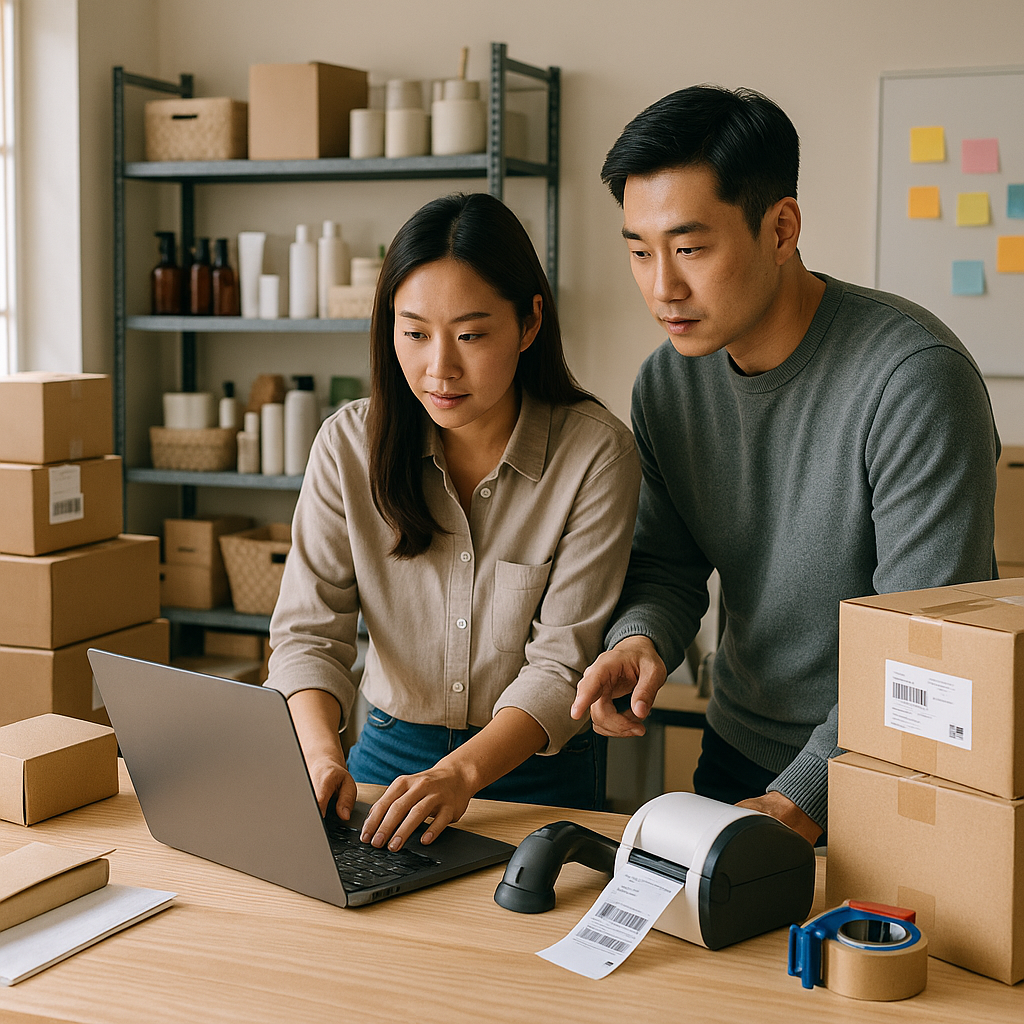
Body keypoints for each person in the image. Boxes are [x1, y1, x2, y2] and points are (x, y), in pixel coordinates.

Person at [571, 85, 999, 845]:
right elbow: (668, 565)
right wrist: (639, 639)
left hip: (896, 770)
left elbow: (921, 651)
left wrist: (802, 799)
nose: (663, 287)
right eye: (639, 251)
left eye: (690, 249)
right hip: (739, 752)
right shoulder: (667, 384)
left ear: (781, 229)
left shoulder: (914, 380)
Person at [266, 192, 641, 853]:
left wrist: (461, 773)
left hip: (534, 769)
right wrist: (321, 757)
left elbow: (561, 663)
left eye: (470, 335)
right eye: (414, 334)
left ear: (529, 323)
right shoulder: (348, 446)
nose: (439, 368)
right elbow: (307, 637)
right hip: (385, 758)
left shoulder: (595, 454)